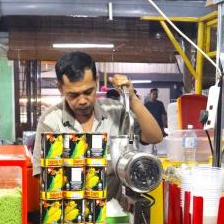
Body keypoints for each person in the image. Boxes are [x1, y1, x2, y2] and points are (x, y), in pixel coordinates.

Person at [33, 52, 163, 170]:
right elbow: (44, 178)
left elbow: (155, 137)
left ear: (96, 81)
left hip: (113, 197)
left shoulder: (116, 112)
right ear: (60, 89)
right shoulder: (50, 121)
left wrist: (132, 98)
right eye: (74, 95)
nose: (83, 100)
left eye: (88, 92)